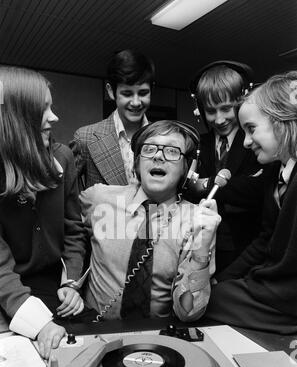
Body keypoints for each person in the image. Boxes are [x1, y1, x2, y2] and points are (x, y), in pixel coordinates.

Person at [80, 120, 221, 321]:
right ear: (137, 162)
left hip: (159, 339)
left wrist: (201, 250)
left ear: (186, 168)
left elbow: (188, 313)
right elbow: (64, 228)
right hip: (95, 330)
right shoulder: (98, 198)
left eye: (172, 151)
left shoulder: (198, 220)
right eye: (149, 149)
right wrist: (69, 282)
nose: (158, 156)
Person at [0, 66, 87, 359]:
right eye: (44, 109)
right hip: (7, 290)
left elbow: (74, 229)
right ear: (17, 119)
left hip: (52, 284)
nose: (54, 117)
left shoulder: (63, 157)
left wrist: (71, 282)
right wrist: (40, 325)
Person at [204, 71, 297, 334]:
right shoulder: (275, 178)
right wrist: (222, 280)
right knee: (213, 296)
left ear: (282, 118)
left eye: (251, 129)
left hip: (285, 299)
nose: (246, 142)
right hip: (273, 291)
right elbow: (266, 241)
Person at [185, 61, 264, 274]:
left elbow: (256, 190)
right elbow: (186, 187)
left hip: (245, 247)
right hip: (201, 244)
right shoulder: (197, 143)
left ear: (239, 104)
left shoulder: (256, 141)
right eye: (211, 111)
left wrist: (207, 184)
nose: (219, 119)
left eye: (226, 109)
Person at [70, 49, 155, 190]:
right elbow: (70, 196)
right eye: (127, 94)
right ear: (111, 91)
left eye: (143, 93)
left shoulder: (163, 138)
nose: (136, 102)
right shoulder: (85, 138)